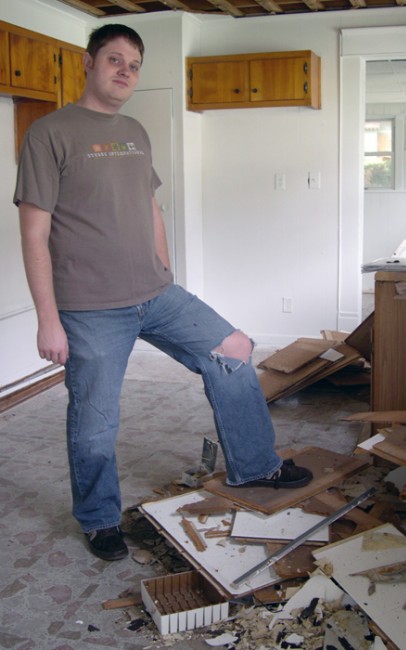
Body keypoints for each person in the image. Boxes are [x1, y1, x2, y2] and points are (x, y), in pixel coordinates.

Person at [13, 24, 312, 562]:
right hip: (89, 309)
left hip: (156, 293)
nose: (125, 71)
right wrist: (47, 319)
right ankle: (100, 519)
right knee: (94, 419)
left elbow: (150, 206)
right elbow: (34, 231)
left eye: (134, 64)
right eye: (114, 60)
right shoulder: (49, 133)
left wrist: (166, 270)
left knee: (235, 351)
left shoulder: (134, 130)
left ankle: (254, 466)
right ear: (88, 63)